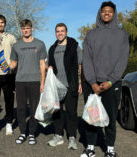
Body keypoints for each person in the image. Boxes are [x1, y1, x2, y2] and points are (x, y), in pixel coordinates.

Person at [81, 1, 129, 157]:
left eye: (109, 11)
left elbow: (123, 59)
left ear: (114, 13)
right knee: (92, 118)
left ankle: (110, 149)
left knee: (110, 117)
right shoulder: (91, 34)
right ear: (99, 13)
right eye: (104, 11)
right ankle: (90, 148)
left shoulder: (121, 34)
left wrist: (110, 81)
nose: (106, 13)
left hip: (112, 83)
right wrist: (93, 82)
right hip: (92, 84)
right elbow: (86, 59)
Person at [10, 19, 47, 145]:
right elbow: (13, 62)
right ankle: (22, 133)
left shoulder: (40, 44)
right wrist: (7, 66)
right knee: (20, 109)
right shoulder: (16, 45)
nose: (26, 30)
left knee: (34, 109)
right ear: (21, 30)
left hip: (35, 81)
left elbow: (42, 64)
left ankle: (32, 133)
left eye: (28, 28)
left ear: (32, 29)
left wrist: (43, 82)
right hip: (20, 81)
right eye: (23, 28)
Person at [46, 23, 82, 150]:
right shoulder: (52, 48)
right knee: (57, 112)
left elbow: (80, 65)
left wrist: (80, 82)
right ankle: (58, 136)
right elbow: (48, 65)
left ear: (66, 32)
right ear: (55, 33)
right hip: (56, 87)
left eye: (62, 31)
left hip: (70, 85)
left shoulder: (74, 46)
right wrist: (48, 67)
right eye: (57, 31)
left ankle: (72, 138)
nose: (60, 33)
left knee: (71, 113)